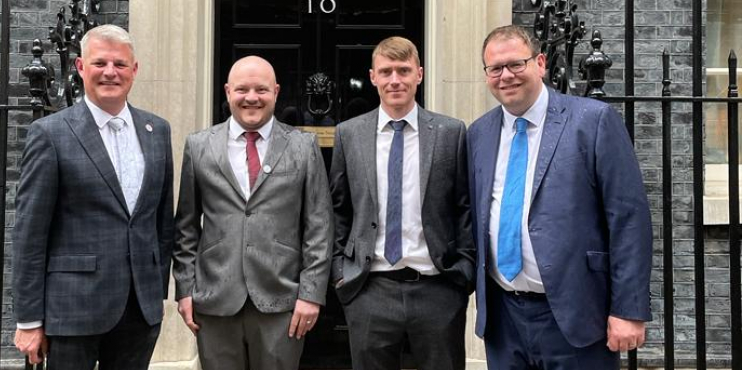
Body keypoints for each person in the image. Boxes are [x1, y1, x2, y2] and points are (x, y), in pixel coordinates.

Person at [468, 25, 653, 369]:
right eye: (495, 68)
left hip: (576, 316)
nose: (505, 76)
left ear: (540, 63)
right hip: (504, 318)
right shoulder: (479, 133)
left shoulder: (593, 121)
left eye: (516, 64)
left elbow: (628, 219)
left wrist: (628, 309)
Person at [12, 24, 175, 369]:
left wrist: (156, 290)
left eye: (119, 64)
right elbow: (30, 234)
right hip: (73, 308)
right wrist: (28, 320)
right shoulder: (50, 134)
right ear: (81, 67)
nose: (110, 73)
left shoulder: (157, 130)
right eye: (100, 63)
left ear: (134, 70)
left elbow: (162, 220)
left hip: (139, 308)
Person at [172, 55, 333, 370]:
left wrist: (311, 294)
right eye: (242, 89)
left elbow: (319, 226)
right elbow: (186, 227)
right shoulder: (199, 145)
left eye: (261, 89)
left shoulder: (303, 146)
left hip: (282, 302)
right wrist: (184, 290)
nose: (251, 98)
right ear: (227, 91)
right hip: (214, 300)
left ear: (275, 92)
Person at [330, 36, 476, 370]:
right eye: (386, 71)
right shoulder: (349, 134)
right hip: (370, 288)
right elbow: (338, 208)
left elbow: (464, 206)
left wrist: (463, 273)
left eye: (404, 70)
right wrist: (340, 272)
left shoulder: (450, 132)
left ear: (419, 74)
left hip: (437, 288)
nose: (395, 80)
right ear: (373, 77)